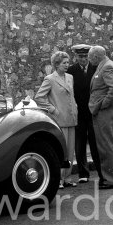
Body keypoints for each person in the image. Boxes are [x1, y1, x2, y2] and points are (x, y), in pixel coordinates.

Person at [35, 51, 78, 188]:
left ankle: (67, 177)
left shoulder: (70, 77)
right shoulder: (50, 79)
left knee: (70, 150)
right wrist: (53, 109)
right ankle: (58, 178)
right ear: (56, 64)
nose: (67, 65)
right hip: (59, 118)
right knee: (62, 149)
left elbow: (71, 96)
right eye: (64, 63)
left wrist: (75, 107)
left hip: (71, 117)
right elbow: (39, 97)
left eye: (68, 62)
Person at [88, 45, 113, 189]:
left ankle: (110, 180)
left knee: (106, 145)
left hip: (105, 112)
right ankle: (109, 178)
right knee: (105, 145)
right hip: (103, 111)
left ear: (96, 56)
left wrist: (103, 104)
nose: (89, 60)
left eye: (90, 57)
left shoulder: (106, 67)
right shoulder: (104, 65)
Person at [68, 44, 102, 184]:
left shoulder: (96, 68)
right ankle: (83, 173)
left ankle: (101, 172)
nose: (83, 59)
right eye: (80, 56)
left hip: (93, 113)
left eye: (85, 56)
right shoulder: (71, 71)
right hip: (79, 113)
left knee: (95, 144)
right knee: (79, 144)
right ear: (76, 57)